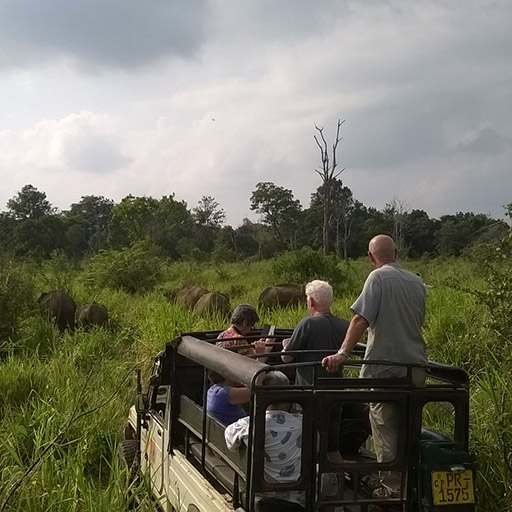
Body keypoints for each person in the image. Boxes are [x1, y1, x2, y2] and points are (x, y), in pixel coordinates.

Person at [322, 234, 427, 498]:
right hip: (416, 367)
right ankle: (413, 484)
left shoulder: (377, 277)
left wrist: (342, 352)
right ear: (398, 253)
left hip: (386, 368)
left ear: (370, 257)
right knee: (409, 427)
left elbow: (360, 319)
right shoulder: (417, 282)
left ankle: (392, 491)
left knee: (385, 427)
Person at [281, 280, 349, 464]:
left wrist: (285, 345)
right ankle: (339, 487)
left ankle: (310, 487)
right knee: (332, 446)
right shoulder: (345, 325)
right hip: (335, 393)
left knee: (307, 444)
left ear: (310, 301)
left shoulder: (308, 323)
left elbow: (286, 358)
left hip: (309, 394)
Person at [225, 371, 305, 512]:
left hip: (264, 497)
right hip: (299, 498)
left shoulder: (248, 425)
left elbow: (230, 442)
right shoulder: (303, 423)